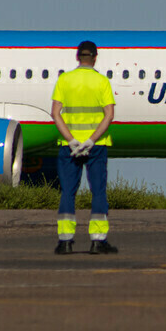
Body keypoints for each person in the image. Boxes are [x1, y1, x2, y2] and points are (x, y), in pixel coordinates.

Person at [50, 40, 118, 255]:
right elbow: (109, 115)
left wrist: (71, 140)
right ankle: (98, 241)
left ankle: (65, 241)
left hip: (68, 147)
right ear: (95, 57)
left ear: (77, 57)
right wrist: (91, 140)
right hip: (96, 146)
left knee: (68, 192)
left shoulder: (65, 80)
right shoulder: (101, 81)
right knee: (98, 191)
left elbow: (55, 113)